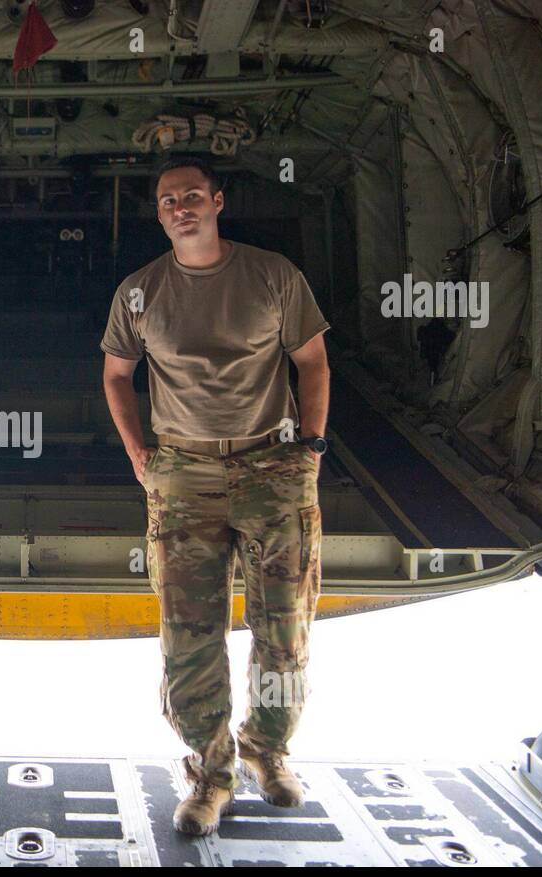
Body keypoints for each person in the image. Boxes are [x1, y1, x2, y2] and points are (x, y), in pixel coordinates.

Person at [101, 155, 331, 836]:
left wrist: (310, 448)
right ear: (160, 212)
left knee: (284, 628)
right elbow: (117, 375)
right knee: (189, 635)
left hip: (271, 466)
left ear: (218, 201)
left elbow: (312, 361)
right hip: (183, 477)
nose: (181, 208)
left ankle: (268, 751)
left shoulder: (273, 276)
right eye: (169, 200)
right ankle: (209, 772)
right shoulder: (140, 292)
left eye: (192, 196)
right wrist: (139, 452)